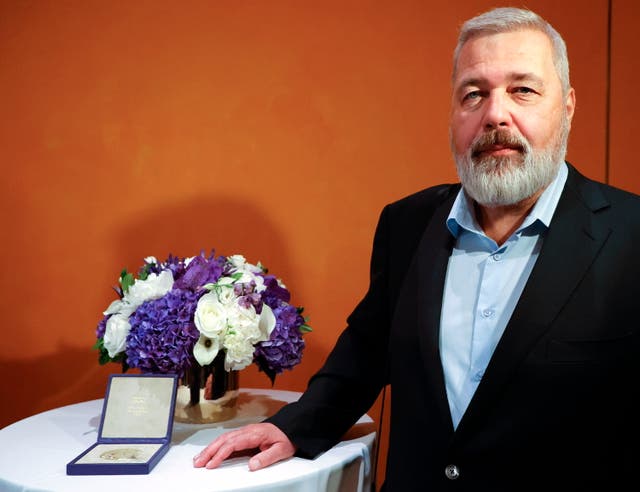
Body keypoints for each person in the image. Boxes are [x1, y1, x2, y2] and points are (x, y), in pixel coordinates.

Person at [194, 7, 639, 490]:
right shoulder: (407, 225)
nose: (495, 114)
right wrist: (292, 426)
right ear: (453, 113)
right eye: (474, 94)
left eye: (523, 90)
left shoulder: (631, 237)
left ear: (568, 106)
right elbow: (365, 352)